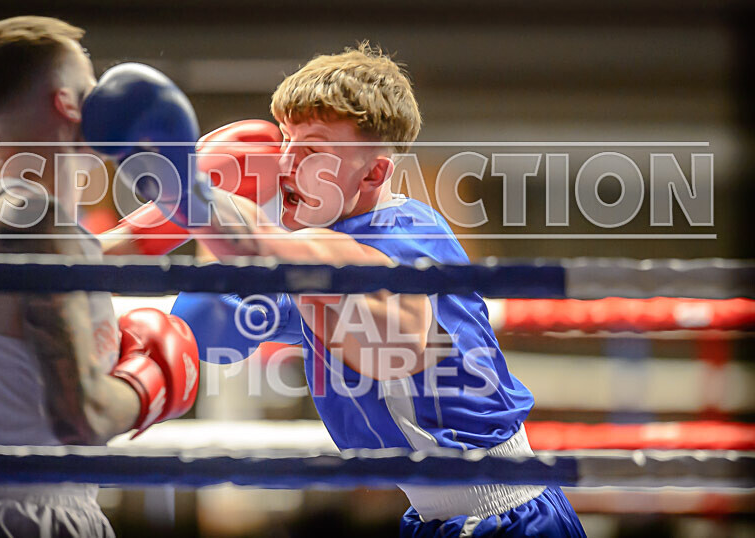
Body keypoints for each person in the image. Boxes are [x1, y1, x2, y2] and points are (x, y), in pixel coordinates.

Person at [83, 44, 585, 537]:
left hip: (509, 517)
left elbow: (284, 252)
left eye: (314, 148)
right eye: (285, 141)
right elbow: (212, 329)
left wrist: (184, 183)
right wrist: (80, 257)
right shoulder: (315, 254)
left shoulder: (404, 242)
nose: (285, 163)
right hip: (438, 517)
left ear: (374, 171)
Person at [0, 17, 200, 537]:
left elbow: (80, 263)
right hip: (34, 512)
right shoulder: (37, 219)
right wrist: (154, 379)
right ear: (68, 102)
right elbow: (82, 417)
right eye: (90, 91)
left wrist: (188, 210)